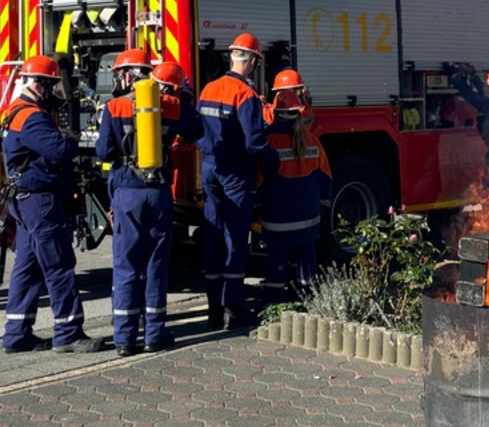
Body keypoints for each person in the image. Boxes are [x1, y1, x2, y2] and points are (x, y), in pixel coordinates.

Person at [97, 61, 203, 356]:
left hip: (127, 192)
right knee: (156, 264)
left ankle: (124, 340)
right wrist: (183, 98)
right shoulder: (173, 105)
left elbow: (104, 152)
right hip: (157, 193)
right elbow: (197, 130)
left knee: (126, 265)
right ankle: (154, 334)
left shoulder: (115, 106)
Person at [0, 55, 104, 354]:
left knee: (28, 268)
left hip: (24, 199)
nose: (54, 93)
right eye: (51, 86)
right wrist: (73, 138)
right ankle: (68, 333)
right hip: (39, 200)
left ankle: (17, 334)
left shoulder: (14, 112)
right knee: (59, 264)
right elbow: (58, 151)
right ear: (38, 85)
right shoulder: (32, 116)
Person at [197, 32, 280, 329]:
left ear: (232, 56)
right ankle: (233, 307)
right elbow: (254, 142)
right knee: (234, 239)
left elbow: (197, 130)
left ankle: (213, 310)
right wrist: (273, 160)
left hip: (209, 168)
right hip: (235, 173)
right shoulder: (244, 94)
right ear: (254, 61)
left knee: (213, 237)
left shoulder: (208, 88)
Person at [260, 92, 331, 304]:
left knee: (277, 260)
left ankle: (274, 303)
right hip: (308, 218)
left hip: (277, 219)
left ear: (275, 113)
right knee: (306, 258)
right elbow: (326, 179)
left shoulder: (268, 143)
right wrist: (323, 206)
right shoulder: (312, 141)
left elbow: (258, 181)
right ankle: (308, 299)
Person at [450, 65, 489, 189]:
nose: (488, 89)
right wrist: (474, 76)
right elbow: (483, 92)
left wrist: (455, 78)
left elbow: (470, 95)